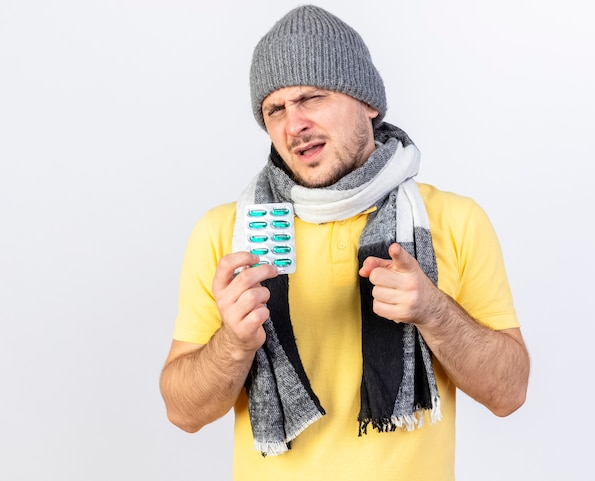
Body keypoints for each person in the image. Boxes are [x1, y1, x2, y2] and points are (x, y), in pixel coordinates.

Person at [160, 5, 530, 481]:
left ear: (368, 102)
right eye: (275, 109)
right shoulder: (227, 233)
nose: (294, 126)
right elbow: (182, 412)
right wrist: (233, 343)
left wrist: (434, 313)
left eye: (312, 97)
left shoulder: (455, 220)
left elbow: (510, 392)